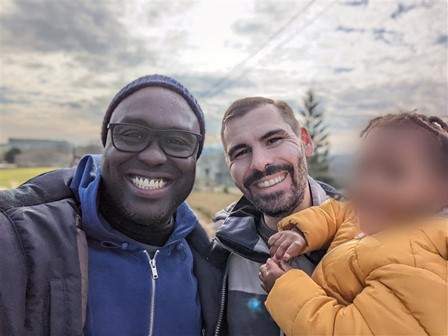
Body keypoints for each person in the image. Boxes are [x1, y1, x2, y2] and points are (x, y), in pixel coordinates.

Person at [0, 75, 225, 336]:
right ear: (106, 145)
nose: (153, 156)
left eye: (178, 141)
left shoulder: (205, 258)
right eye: (132, 134)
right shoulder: (19, 240)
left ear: (195, 159)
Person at [260, 112, 448, 335]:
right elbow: (338, 211)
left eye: (393, 172)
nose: (368, 186)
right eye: (363, 170)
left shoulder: (417, 264)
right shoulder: (384, 218)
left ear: (440, 191)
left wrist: (284, 287)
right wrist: (302, 232)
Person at [212, 97, 341, 335]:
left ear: (305, 142)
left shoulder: (365, 233)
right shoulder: (218, 255)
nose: (260, 163)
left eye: (273, 140)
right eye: (241, 152)